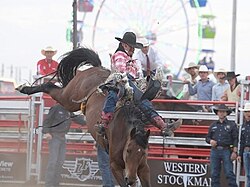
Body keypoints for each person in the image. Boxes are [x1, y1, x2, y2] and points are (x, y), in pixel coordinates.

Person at [96, 32, 181, 136]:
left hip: (131, 82)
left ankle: (105, 123)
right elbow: (120, 70)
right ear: (125, 45)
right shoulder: (119, 55)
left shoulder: (131, 59)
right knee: (137, 99)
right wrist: (129, 83)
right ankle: (162, 125)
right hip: (121, 80)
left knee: (141, 99)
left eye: (134, 47)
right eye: (132, 47)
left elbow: (137, 73)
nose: (133, 49)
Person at [42, 104, 85, 187]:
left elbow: (76, 118)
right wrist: (47, 132)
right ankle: (49, 185)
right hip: (55, 136)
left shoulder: (68, 110)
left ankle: (55, 184)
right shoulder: (56, 108)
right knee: (53, 162)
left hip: (62, 137)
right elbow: (47, 121)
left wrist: (88, 121)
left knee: (60, 162)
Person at [206, 104, 238, 187]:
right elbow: (207, 138)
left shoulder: (232, 125)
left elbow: (235, 138)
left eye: (223, 112)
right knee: (214, 173)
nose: (221, 113)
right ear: (217, 113)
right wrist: (210, 141)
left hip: (226, 150)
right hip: (215, 150)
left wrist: (234, 151)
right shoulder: (213, 125)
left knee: (229, 172)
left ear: (226, 113)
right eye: (220, 112)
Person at [237, 102, 250, 187]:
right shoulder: (244, 125)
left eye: (248, 111)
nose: (247, 113)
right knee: (248, 174)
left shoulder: (244, 126)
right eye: (246, 112)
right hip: (246, 151)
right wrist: (240, 154)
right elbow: (241, 141)